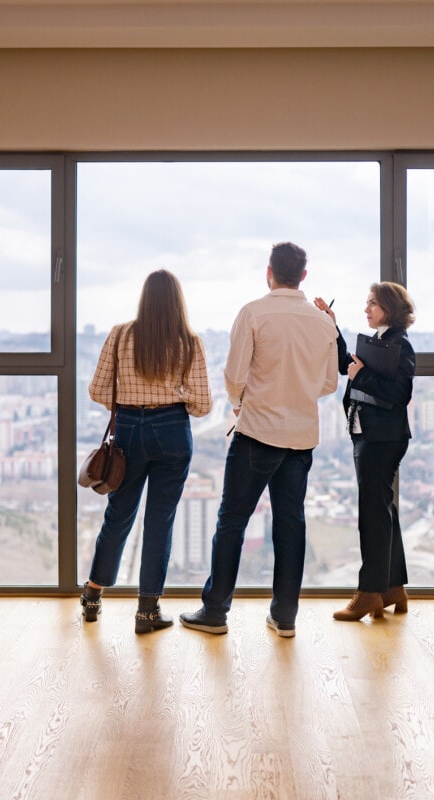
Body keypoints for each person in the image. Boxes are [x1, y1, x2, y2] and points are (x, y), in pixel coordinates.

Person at [180, 242, 338, 638]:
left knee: (232, 521)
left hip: (256, 434)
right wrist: (297, 394)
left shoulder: (253, 313)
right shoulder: (324, 323)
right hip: (301, 439)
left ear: (269, 272)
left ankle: (215, 612)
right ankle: (285, 617)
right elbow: (330, 383)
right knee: (291, 525)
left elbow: (234, 375)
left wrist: (240, 403)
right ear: (304, 275)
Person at [81, 269, 212, 634]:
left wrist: (131, 399)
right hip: (172, 432)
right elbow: (202, 405)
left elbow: (96, 390)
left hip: (127, 431)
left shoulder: (120, 335)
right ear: (176, 301)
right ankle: (147, 612)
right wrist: (173, 396)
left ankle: (92, 597)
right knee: (160, 522)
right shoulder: (189, 342)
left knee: (118, 515)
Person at [314, 282, 416, 622]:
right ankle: (392, 588)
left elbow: (398, 394)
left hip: (381, 438)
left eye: (372, 303)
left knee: (372, 514)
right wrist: (333, 325)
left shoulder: (399, 344)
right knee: (382, 509)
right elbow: (348, 365)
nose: (367, 308)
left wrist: (363, 376)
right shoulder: (382, 341)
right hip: (370, 435)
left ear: (389, 306)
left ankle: (369, 593)